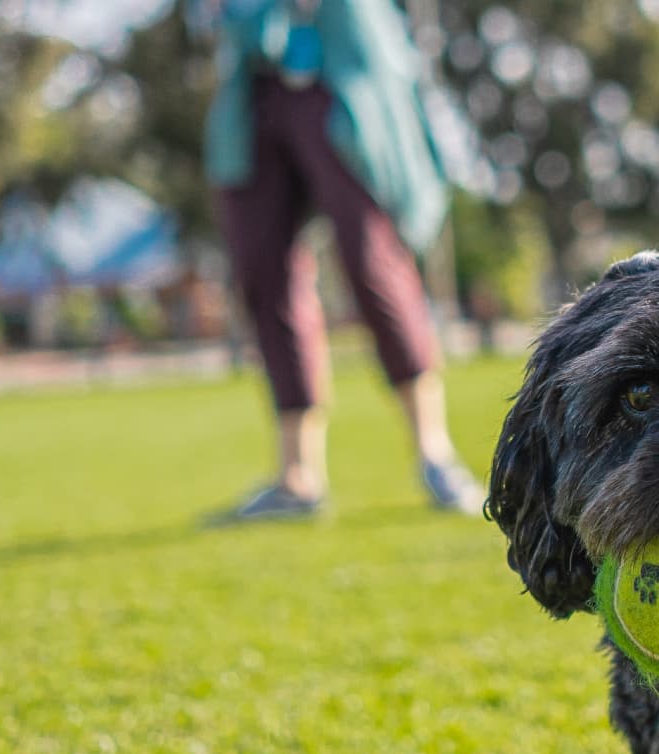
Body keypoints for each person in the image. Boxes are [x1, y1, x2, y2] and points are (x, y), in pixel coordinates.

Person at [204, 0, 483, 518]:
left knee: (371, 262)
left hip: (341, 63)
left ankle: (435, 454)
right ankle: (297, 476)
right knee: (264, 275)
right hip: (253, 76)